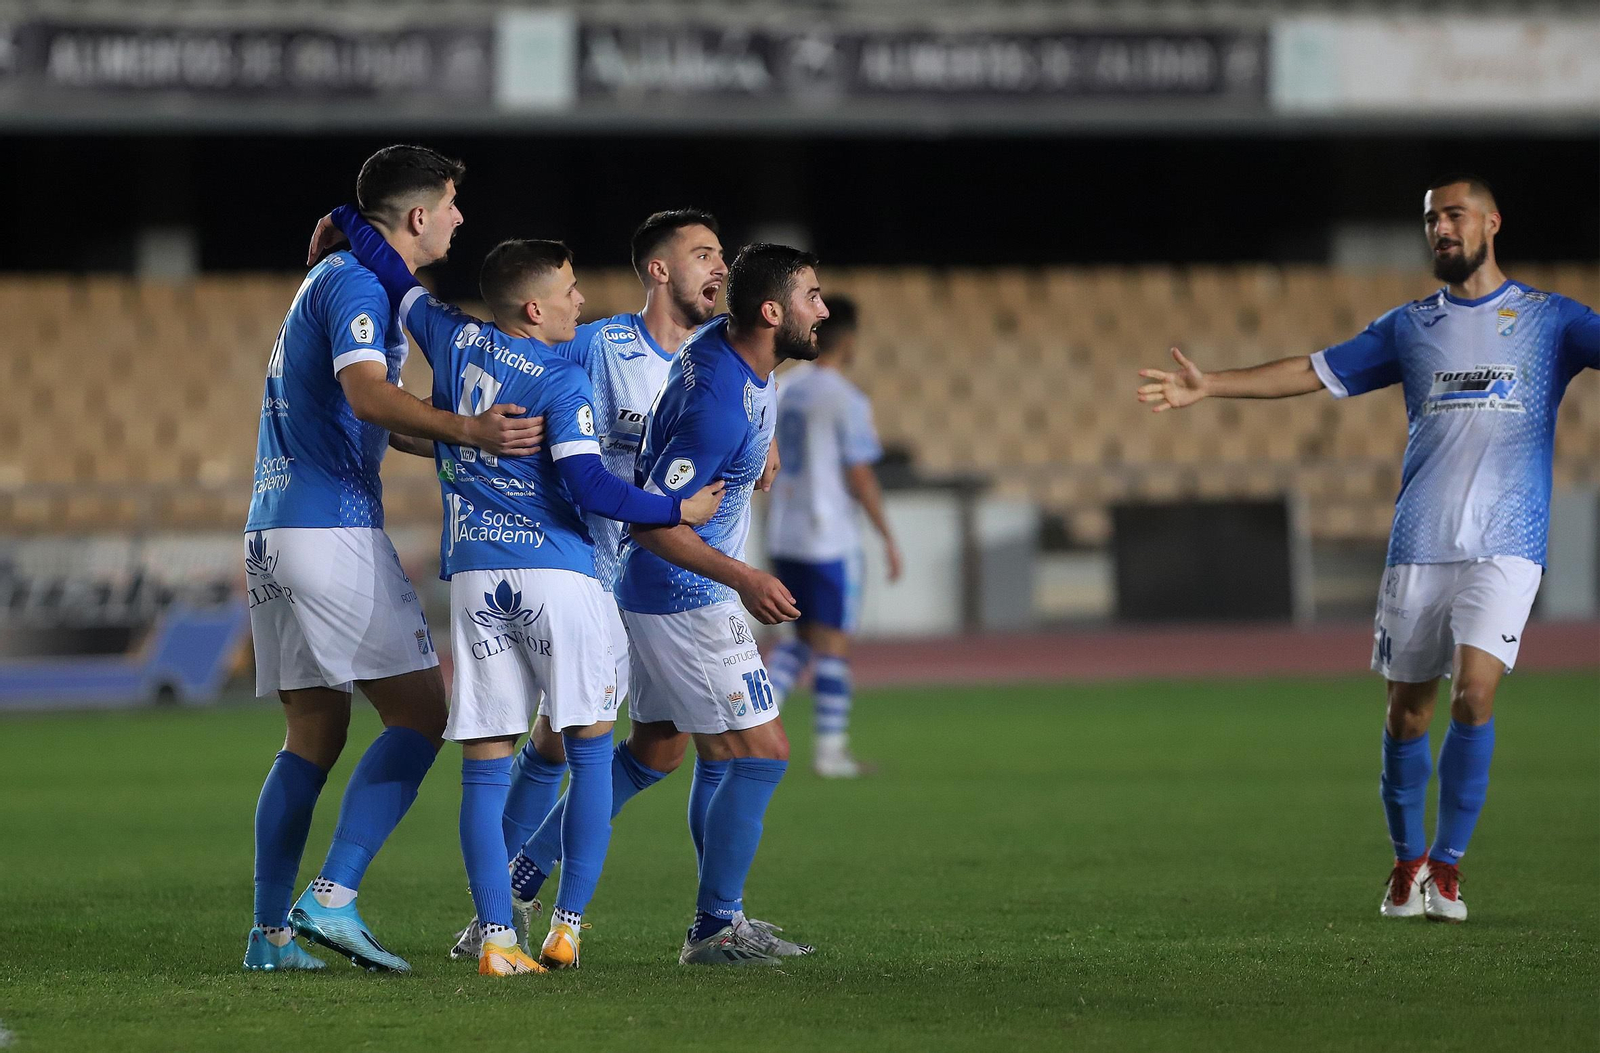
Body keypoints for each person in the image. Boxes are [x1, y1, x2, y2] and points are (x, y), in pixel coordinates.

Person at [1134, 174, 1600, 923]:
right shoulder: (1410, 325)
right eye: (1430, 220)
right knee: (1406, 715)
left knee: (1475, 694)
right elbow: (1312, 369)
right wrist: (1210, 385)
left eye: (1454, 215)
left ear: (1492, 221)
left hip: (1507, 543)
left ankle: (1446, 869)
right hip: (1420, 542)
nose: (1441, 229)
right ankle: (1405, 862)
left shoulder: (1551, 320)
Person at [326, 210, 724, 974]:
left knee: (485, 762)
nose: (581, 304)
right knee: (590, 752)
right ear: (535, 308)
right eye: (571, 292)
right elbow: (589, 484)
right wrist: (679, 507)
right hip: (561, 578)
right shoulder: (560, 377)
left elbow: (395, 276)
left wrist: (346, 218)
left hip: (476, 578)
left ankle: (498, 939)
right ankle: (567, 925)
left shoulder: (450, 335)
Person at [243, 145, 543, 974]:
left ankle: (269, 937)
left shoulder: (331, 276)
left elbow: (382, 420)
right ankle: (333, 896)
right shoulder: (355, 284)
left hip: (273, 527)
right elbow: (369, 393)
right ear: (417, 215)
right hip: (328, 526)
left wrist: (462, 447)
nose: (457, 218)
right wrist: (475, 429)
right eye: (450, 205)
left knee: (314, 728)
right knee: (422, 715)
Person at [617, 243, 828, 965]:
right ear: (772, 313)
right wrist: (743, 576)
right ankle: (714, 928)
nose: (823, 309)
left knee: (660, 753)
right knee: (765, 752)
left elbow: (722, 380)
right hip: (688, 594)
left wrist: (758, 447)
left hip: (670, 595)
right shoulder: (718, 402)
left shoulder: (731, 350)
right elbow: (651, 523)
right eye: (811, 296)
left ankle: (521, 867)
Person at [763, 295, 902, 777]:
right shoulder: (845, 398)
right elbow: (859, 476)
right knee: (833, 643)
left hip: (785, 531)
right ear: (848, 339)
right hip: (828, 537)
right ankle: (831, 752)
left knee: (799, 639)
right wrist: (887, 536)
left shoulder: (782, 388)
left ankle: (747, 722)